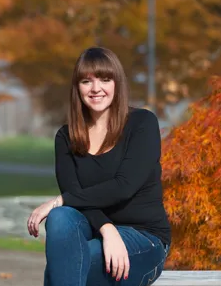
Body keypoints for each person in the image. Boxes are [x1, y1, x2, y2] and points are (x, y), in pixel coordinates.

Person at [27, 46, 171, 286]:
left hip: (145, 238)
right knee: (61, 217)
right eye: (86, 81)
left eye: (105, 79)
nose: (96, 89)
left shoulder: (142, 123)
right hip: (97, 233)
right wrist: (107, 229)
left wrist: (59, 199)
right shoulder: (66, 136)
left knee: (62, 265)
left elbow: (124, 186)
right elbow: (77, 197)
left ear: (117, 84)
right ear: (77, 88)